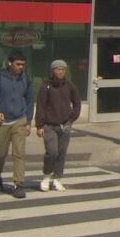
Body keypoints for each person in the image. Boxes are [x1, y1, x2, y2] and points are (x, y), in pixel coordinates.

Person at [0, 50, 33, 199]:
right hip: (2, 121)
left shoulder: (26, 78)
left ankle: (18, 184)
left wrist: (29, 121)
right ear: (10, 63)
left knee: (19, 153)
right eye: (18, 64)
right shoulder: (0, 77)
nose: (21, 67)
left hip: (20, 120)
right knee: (1, 153)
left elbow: (30, 100)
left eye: (23, 65)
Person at [35, 59, 81, 192]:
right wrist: (39, 125)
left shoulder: (70, 86)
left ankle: (57, 178)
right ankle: (46, 176)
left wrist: (71, 119)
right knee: (52, 152)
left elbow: (77, 102)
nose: (61, 71)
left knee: (61, 153)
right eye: (58, 69)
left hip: (65, 125)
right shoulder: (46, 87)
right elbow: (41, 106)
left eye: (63, 69)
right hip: (49, 125)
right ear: (52, 71)